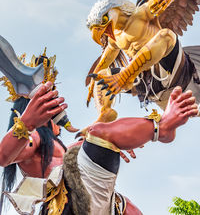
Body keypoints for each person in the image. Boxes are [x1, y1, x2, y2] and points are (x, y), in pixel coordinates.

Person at [0, 82, 198, 215]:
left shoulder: (67, 149)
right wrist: (26, 122)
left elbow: (88, 149)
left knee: (128, 207)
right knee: (97, 133)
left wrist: (117, 144)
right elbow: (2, 157)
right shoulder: (34, 138)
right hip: (62, 207)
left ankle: (159, 129)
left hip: (95, 203)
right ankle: (160, 128)